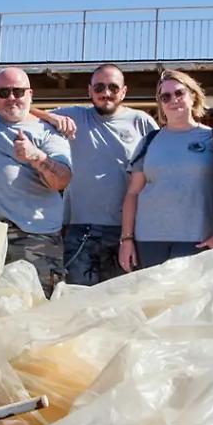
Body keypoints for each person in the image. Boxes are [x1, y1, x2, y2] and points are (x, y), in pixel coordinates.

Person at [38, 64, 158, 284]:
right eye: (99, 87)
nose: (106, 93)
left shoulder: (142, 122)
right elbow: (23, 112)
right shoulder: (74, 116)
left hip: (128, 231)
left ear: (124, 91)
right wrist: (50, 118)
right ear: (89, 90)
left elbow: (158, 173)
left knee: (122, 299)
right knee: (78, 298)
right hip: (81, 229)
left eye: (113, 87)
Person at [0, 67, 72, 295]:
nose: (11, 97)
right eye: (4, 92)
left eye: (18, 91)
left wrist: (36, 156)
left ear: (30, 93)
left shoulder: (50, 132)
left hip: (35, 239)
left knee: (38, 309)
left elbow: (61, 180)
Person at [119, 71, 213, 271]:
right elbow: (133, 193)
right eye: (165, 97)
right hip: (148, 241)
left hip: (198, 239)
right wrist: (126, 239)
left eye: (179, 93)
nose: (173, 100)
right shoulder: (149, 141)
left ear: (193, 96)